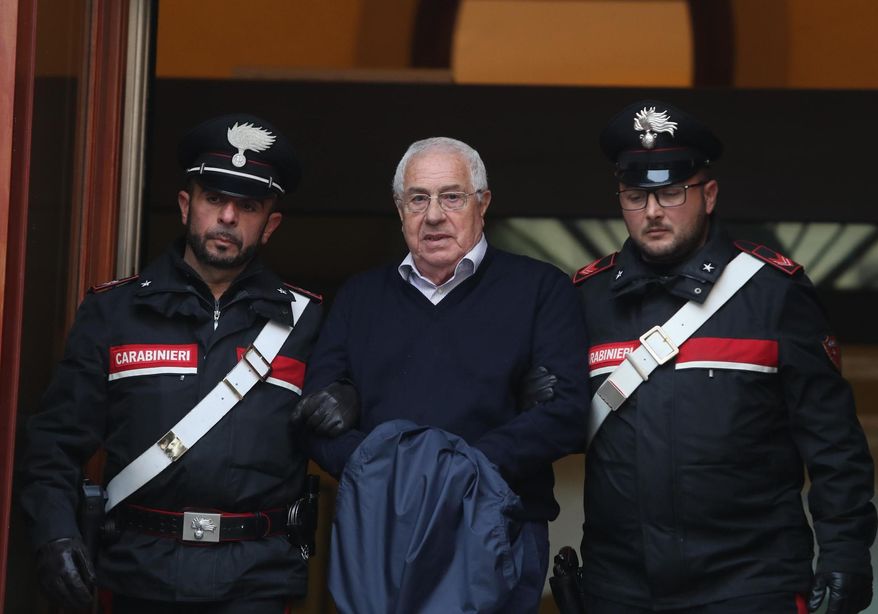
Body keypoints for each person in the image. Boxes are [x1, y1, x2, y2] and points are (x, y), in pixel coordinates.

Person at [19, 114, 352, 613]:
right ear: (184, 205)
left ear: (270, 225)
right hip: (136, 577)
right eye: (214, 198)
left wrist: (349, 395)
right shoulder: (114, 312)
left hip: (255, 585)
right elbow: (53, 444)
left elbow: (354, 410)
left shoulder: (308, 323)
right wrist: (54, 534)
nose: (227, 217)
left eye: (248, 206)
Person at [571, 99, 877, 613]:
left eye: (671, 192)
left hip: (750, 585)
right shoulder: (586, 300)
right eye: (635, 195)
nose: (652, 211)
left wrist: (846, 553)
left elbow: (834, 444)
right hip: (621, 588)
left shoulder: (774, 294)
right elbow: (556, 430)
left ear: (708, 195)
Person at [293, 136, 590, 613]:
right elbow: (313, 423)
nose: (433, 215)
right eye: (418, 199)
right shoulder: (359, 298)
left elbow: (566, 415)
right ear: (399, 208)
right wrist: (396, 475)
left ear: (482, 203)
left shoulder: (541, 290)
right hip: (382, 534)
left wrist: (451, 473)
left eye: (451, 196)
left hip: (497, 530)